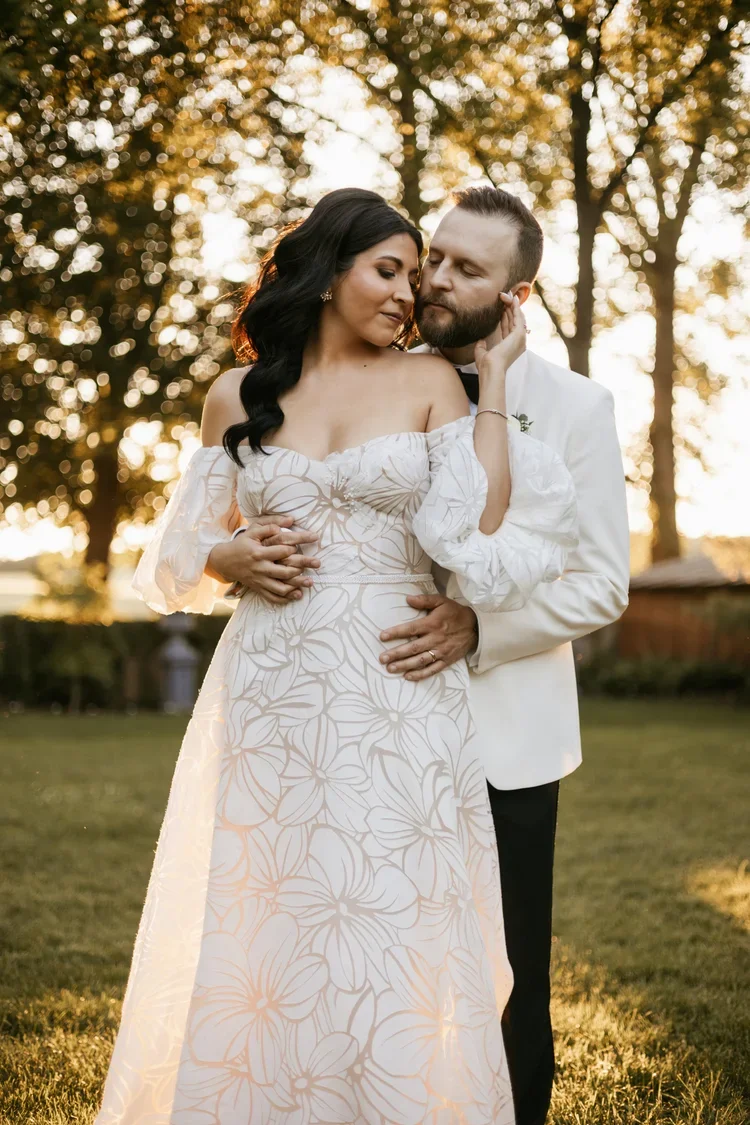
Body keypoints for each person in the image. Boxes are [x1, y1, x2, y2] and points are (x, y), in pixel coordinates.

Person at [95, 188, 577, 1125]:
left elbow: (474, 532)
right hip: (271, 690)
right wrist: (227, 557)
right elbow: (173, 562)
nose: (412, 291)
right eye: (389, 270)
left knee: (394, 915)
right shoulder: (235, 396)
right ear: (326, 274)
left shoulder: (434, 381)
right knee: (268, 914)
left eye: (418, 273)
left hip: (397, 688)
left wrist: (500, 383)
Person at [209, 186, 630, 1125]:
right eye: (431, 256)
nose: (434, 279)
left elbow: (602, 582)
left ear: (518, 292)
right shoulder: (378, 372)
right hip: (355, 726)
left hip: (505, 737)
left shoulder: (577, 406)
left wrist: (479, 629)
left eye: (464, 269)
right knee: (339, 946)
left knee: (502, 969)